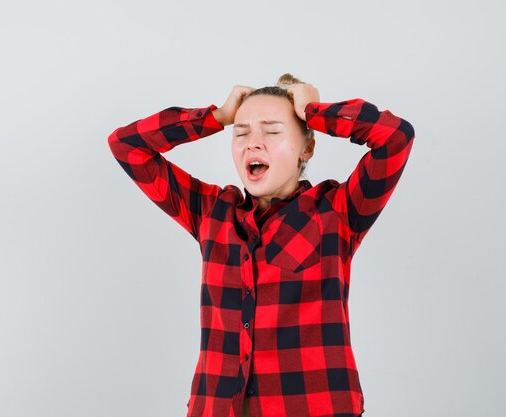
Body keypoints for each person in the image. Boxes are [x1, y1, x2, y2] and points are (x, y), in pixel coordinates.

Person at [107, 74, 415, 417]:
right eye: (241, 132)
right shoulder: (211, 213)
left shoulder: (338, 212)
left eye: (271, 131)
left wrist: (313, 111)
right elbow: (127, 145)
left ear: (307, 148)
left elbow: (395, 137)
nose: (252, 143)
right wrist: (216, 117)